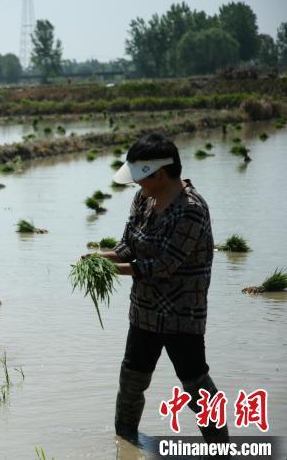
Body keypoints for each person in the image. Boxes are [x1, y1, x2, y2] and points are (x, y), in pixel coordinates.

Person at [101, 133, 228, 444]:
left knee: (195, 382)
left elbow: (164, 265)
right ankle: (126, 440)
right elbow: (128, 246)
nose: (136, 184)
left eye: (141, 177)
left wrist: (113, 270)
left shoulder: (191, 209)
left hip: (182, 315)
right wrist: (99, 259)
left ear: (159, 174)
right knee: (132, 378)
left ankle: (220, 447)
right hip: (144, 312)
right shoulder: (144, 199)